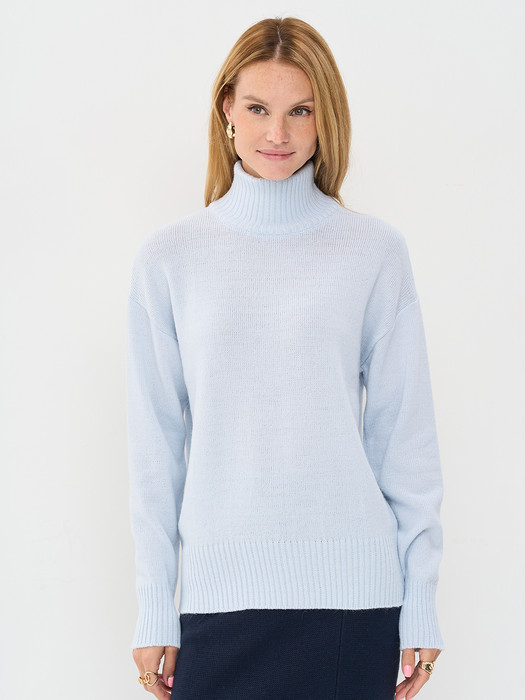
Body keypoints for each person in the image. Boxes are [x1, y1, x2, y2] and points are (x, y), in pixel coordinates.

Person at [125, 15, 444, 700]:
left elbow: (404, 438)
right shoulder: (170, 259)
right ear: (226, 110)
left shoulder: (373, 252)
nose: (278, 133)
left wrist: (420, 600)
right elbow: (156, 449)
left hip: (353, 604)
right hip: (217, 604)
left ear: (326, 116)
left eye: (300, 110)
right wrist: (155, 606)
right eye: (257, 108)